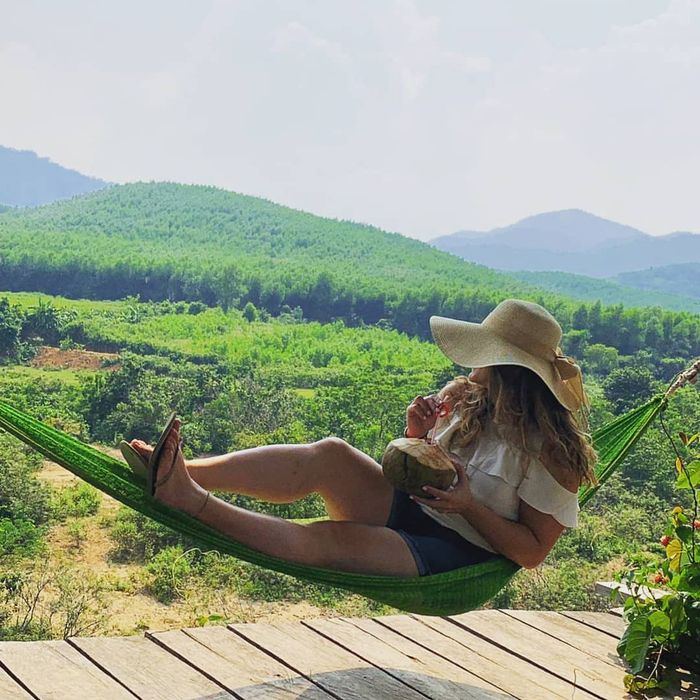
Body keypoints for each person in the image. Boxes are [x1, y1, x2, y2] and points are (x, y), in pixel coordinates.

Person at [128, 299, 597, 577]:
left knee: (328, 542)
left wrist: (468, 505)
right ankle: (184, 473)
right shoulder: (467, 397)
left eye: (485, 353)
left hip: (457, 552)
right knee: (330, 454)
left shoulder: (554, 455)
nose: (472, 361)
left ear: (511, 370)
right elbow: (428, 473)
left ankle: (187, 500)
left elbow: (532, 553)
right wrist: (417, 437)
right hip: (413, 508)